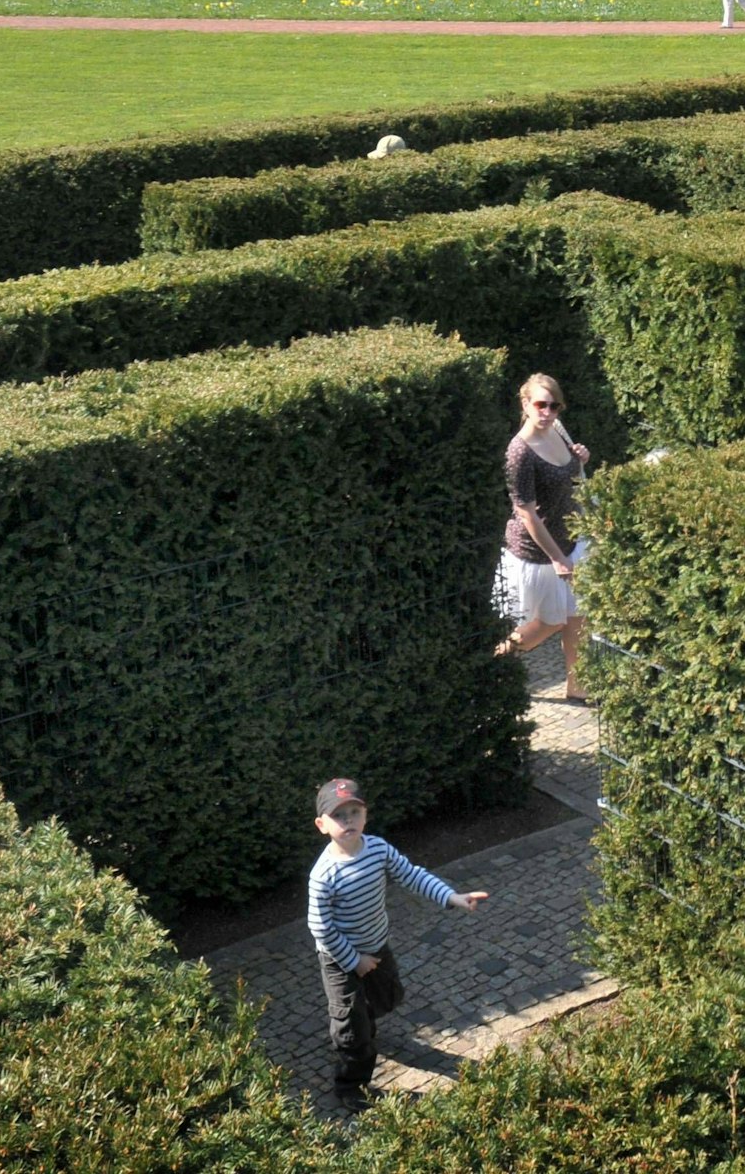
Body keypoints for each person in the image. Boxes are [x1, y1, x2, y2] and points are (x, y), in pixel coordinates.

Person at [308, 776, 487, 1107]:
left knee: (389, 997)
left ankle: (364, 1019)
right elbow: (320, 927)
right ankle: (351, 1087)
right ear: (322, 825)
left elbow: (412, 875)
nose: (348, 821)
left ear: (365, 816)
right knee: (351, 1027)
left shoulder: (377, 849)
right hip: (339, 959)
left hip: (376, 946)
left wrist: (452, 897)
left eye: (354, 813)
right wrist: (353, 962)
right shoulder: (324, 874)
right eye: (339, 816)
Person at [495, 372, 593, 702]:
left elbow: (571, 476)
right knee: (549, 622)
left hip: (571, 542)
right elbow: (526, 514)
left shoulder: (558, 432)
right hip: (539, 553)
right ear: (525, 404)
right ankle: (492, 662)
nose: (547, 412)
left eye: (554, 405)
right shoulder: (519, 451)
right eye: (540, 404)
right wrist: (557, 558)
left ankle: (577, 687)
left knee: (578, 617)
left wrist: (580, 460)